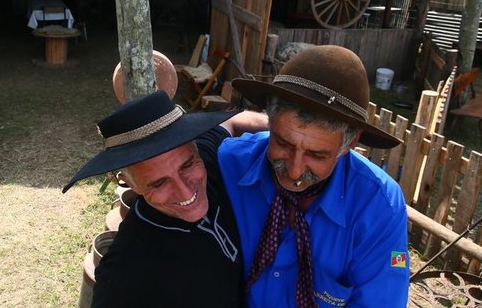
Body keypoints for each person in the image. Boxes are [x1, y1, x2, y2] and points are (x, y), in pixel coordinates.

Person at [218, 45, 409, 308]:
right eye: (283, 143)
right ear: (270, 123)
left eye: (317, 155)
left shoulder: (378, 208)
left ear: (350, 142)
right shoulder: (228, 166)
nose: (295, 171)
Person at [62, 90, 269, 307]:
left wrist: (284, 134)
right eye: (159, 183)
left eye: (187, 165)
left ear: (195, 148)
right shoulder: (126, 275)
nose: (185, 192)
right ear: (131, 184)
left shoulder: (208, 159)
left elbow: (233, 121)